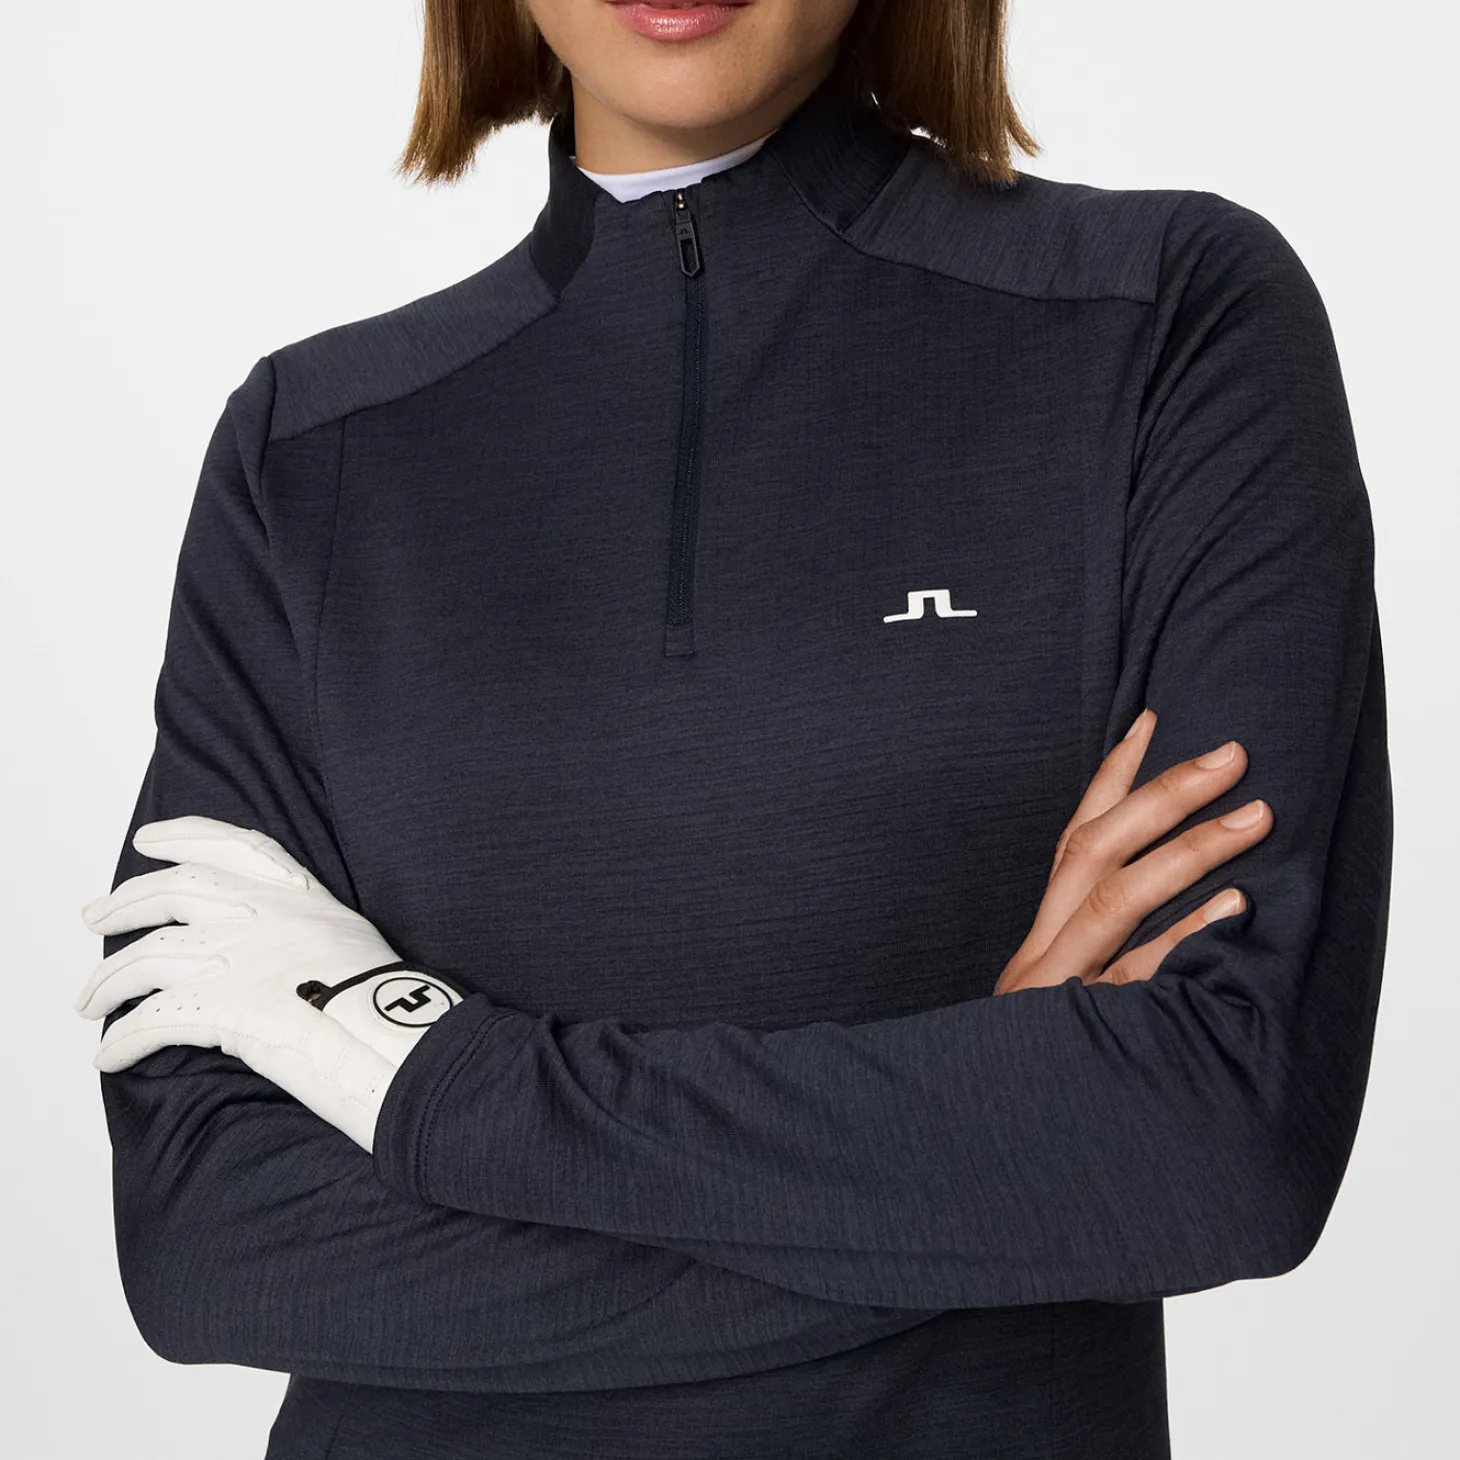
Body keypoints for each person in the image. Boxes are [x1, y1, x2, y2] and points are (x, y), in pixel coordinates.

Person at [73, 1, 1392, 1457]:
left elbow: (1216, 1139)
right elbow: (210, 1238)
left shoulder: (1165, 317)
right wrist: (982, 1163)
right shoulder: (309, 445)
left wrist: (424, 1075)